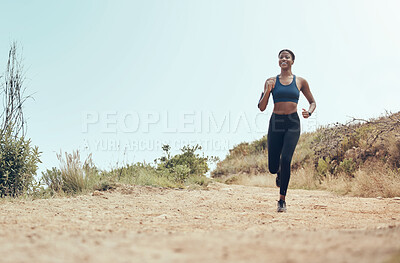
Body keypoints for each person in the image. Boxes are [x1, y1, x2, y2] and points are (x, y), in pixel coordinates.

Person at [257, 49, 316, 212]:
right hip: (276, 122)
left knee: (286, 159)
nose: (283, 58)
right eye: (281, 57)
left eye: (287, 57)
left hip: (292, 123)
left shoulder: (300, 81)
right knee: (273, 167)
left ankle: (282, 200)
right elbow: (262, 107)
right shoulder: (270, 81)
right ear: (278, 61)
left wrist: (309, 112)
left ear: (292, 61)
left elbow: (312, 102)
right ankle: (278, 173)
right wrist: (268, 90)